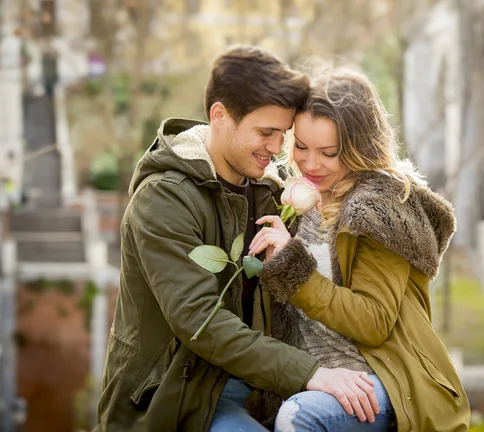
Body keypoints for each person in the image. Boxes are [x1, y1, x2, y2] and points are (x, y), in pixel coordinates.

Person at [95, 47, 379, 432]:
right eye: (265, 133)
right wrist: (311, 373)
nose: (277, 149)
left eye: (283, 134)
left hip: (258, 387)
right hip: (179, 396)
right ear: (220, 116)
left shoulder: (269, 192)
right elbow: (199, 321)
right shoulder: (164, 198)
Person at [249, 67, 472, 431]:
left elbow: (372, 322)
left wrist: (292, 268)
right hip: (315, 379)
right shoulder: (294, 200)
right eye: (301, 146)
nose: (309, 163)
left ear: (359, 148)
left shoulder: (378, 209)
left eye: (329, 152)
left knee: (299, 418)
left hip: (383, 380)